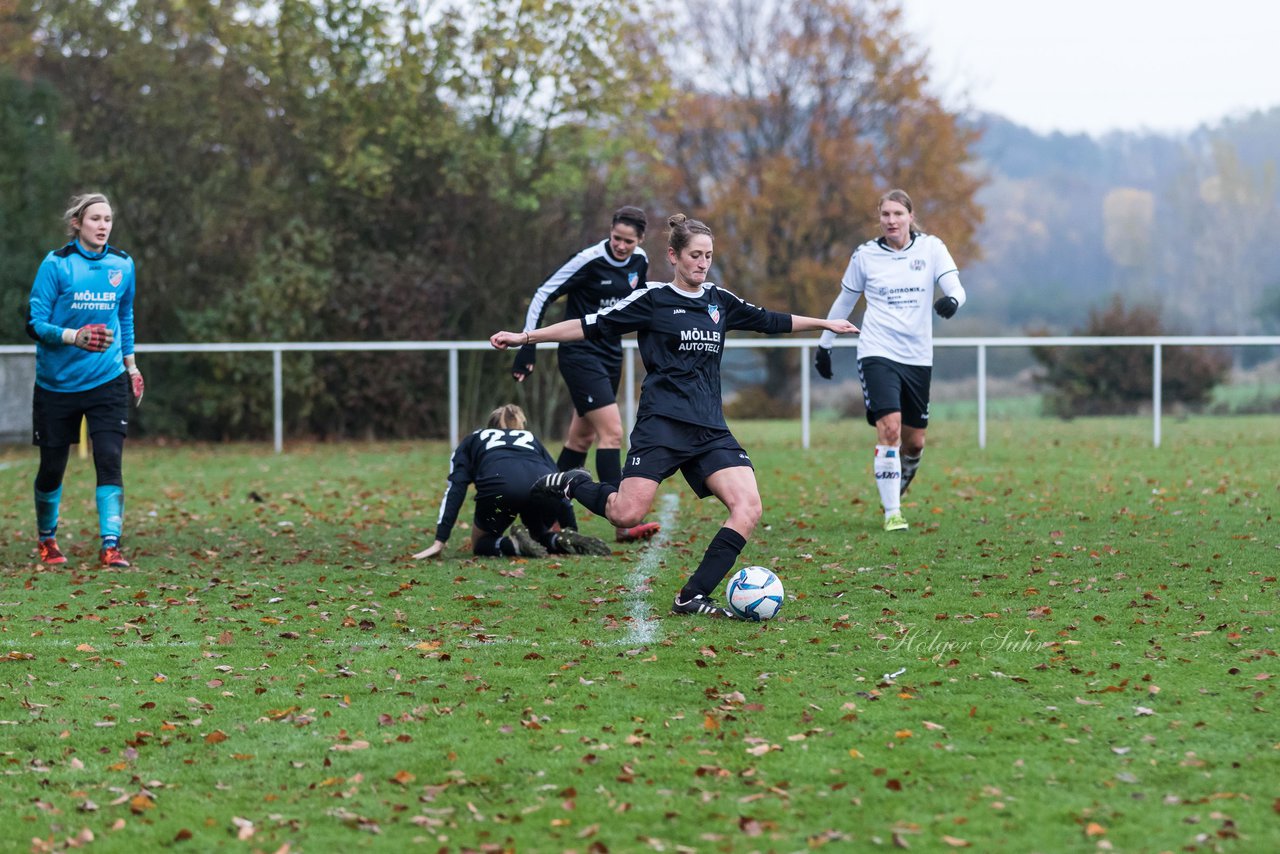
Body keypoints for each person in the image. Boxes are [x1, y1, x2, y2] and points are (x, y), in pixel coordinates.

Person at [490, 214, 859, 617]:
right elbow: (587, 326)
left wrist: (825, 323)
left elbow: (769, 320)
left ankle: (692, 595)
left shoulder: (720, 301)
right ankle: (574, 483)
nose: (703, 264)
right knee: (625, 513)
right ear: (673, 256)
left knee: (749, 507)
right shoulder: (651, 300)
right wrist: (526, 337)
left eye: (709, 256)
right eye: (695, 256)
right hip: (661, 426)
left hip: (710, 430)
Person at [814, 189, 967, 532]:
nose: (891, 220)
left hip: (917, 356)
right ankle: (892, 513)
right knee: (890, 429)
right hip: (876, 350)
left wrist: (952, 301)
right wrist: (825, 344)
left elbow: (955, 286)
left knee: (914, 442)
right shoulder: (865, 255)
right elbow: (845, 301)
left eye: (898, 214)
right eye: (885, 214)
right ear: (879, 218)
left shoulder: (931, 248)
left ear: (910, 217)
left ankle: (897, 484)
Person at [510, 205, 661, 544]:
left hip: (610, 356)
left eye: (628, 241)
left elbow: (638, 304)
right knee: (613, 432)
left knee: (580, 439)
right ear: (610, 232)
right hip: (580, 355)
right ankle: (621, 520)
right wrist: (528, 345)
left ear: (640, 240)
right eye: (616, 238)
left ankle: (543, 516)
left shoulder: (641, 262)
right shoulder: (589, 260)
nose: (621, 246)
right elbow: (543, 293)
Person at [25, 192, 145, 567]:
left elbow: (124, 318)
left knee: (109, 460)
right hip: (56, 384)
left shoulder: (122, 265)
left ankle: (111, 546)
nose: (103, 226)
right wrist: (73, 336)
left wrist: (132, 366)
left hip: (106, 381)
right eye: (95, 219)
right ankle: (47, 539)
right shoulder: (56, 265)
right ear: (77, 223)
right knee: (51, 468)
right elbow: (34, 323)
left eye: (108, 219)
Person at [412, 404, 612, 560]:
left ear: (491, 425)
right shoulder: (530, 438)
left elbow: (456, 488)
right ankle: (558, 540)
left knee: (481, 543)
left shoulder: (474, 438)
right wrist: (571, 529)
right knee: (539, 532)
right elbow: (558, 481)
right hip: (539, 486)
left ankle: (514, 545)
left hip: (500, 490)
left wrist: (440, 540)